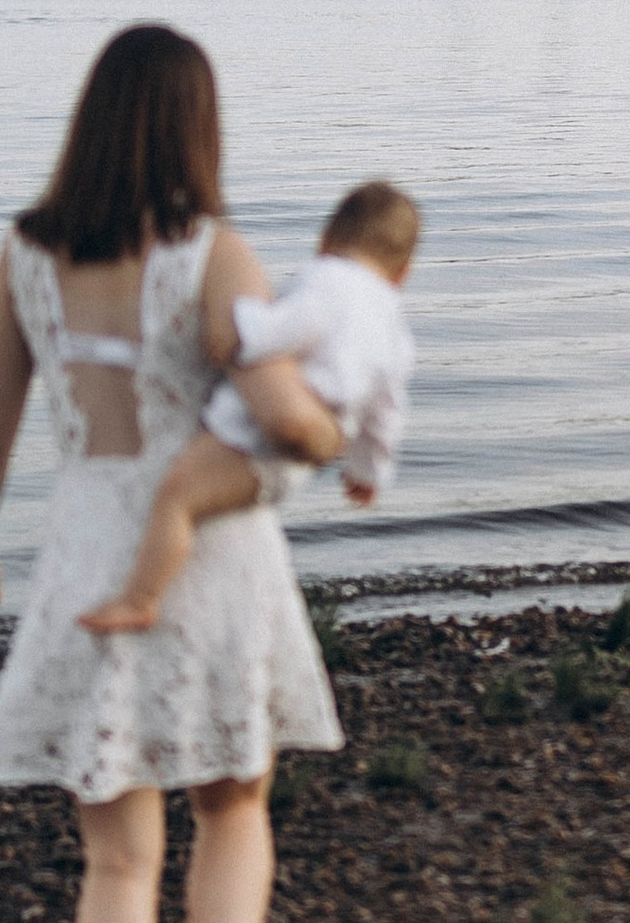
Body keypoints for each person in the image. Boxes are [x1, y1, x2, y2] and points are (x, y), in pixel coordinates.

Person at [0, 25, 343, 923]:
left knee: (116, 860)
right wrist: (332, 430)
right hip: (212, 551)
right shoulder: (213, 254)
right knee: (233, 802)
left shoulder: (26, 254)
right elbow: (280, 414)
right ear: (195, 124)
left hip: (86, 548)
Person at [80, 180, 419, 636]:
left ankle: (140, 598)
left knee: (176, 497)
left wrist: (240, 329)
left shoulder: (328, 280)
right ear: (403, 272)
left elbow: (289, 327)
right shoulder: (394, 326)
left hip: (258, 433)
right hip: (321, 434)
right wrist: (368, 471)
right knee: (201, 505)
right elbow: (385, 412)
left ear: (324, 242)